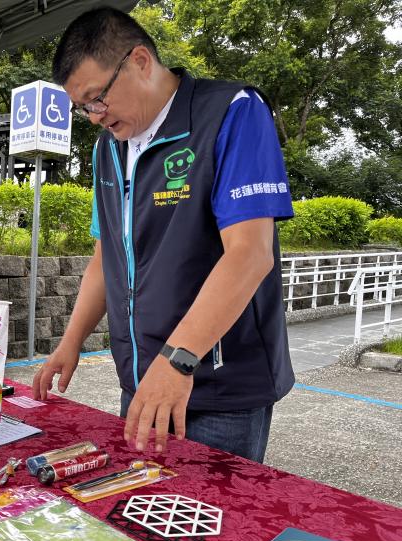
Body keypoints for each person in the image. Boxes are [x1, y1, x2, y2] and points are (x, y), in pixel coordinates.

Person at [33, 7, 295, 463]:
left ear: (139, 61)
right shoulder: (107, 149)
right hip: (142, 380)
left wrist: (179, 360)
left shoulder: (232, 112)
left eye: (98, 98)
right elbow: (106, 256)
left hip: (217, 386)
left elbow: (250, 255)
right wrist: (69, 342)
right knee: (133, 520)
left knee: (205, 528)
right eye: (84, 108)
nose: (95, 117)